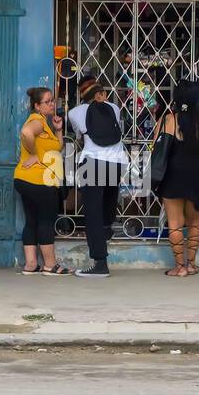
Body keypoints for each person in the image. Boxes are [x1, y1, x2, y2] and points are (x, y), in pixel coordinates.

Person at [68, 74, 129, 278]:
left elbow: (79, 135)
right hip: (117, 163)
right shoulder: (114, 108)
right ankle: (107, 232)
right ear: (101, 93)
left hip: (92, 162)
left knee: (92, 212)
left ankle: (100, 263)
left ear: (82, 94)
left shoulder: (75, 112)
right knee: (108, 203)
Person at [154, 80, 199, 277]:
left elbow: (156, 146)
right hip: (195, 173)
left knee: (175, 222)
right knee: (194, 222)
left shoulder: (168, 120)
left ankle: (179, 267)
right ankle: (191, 264)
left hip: (172, 174)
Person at [14, 87, 69, 275]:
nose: (52, 104)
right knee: (46, 220)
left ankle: (30, 264)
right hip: (40, 181)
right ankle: (50, 265)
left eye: (53, 100)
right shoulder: (36, 121)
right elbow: (26, 133)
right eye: (48, 102)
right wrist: (34, 155)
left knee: (31, 220)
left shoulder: (46, 124)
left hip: (25, 180)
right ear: (37, 106)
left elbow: (56, 149)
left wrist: (58, 130)